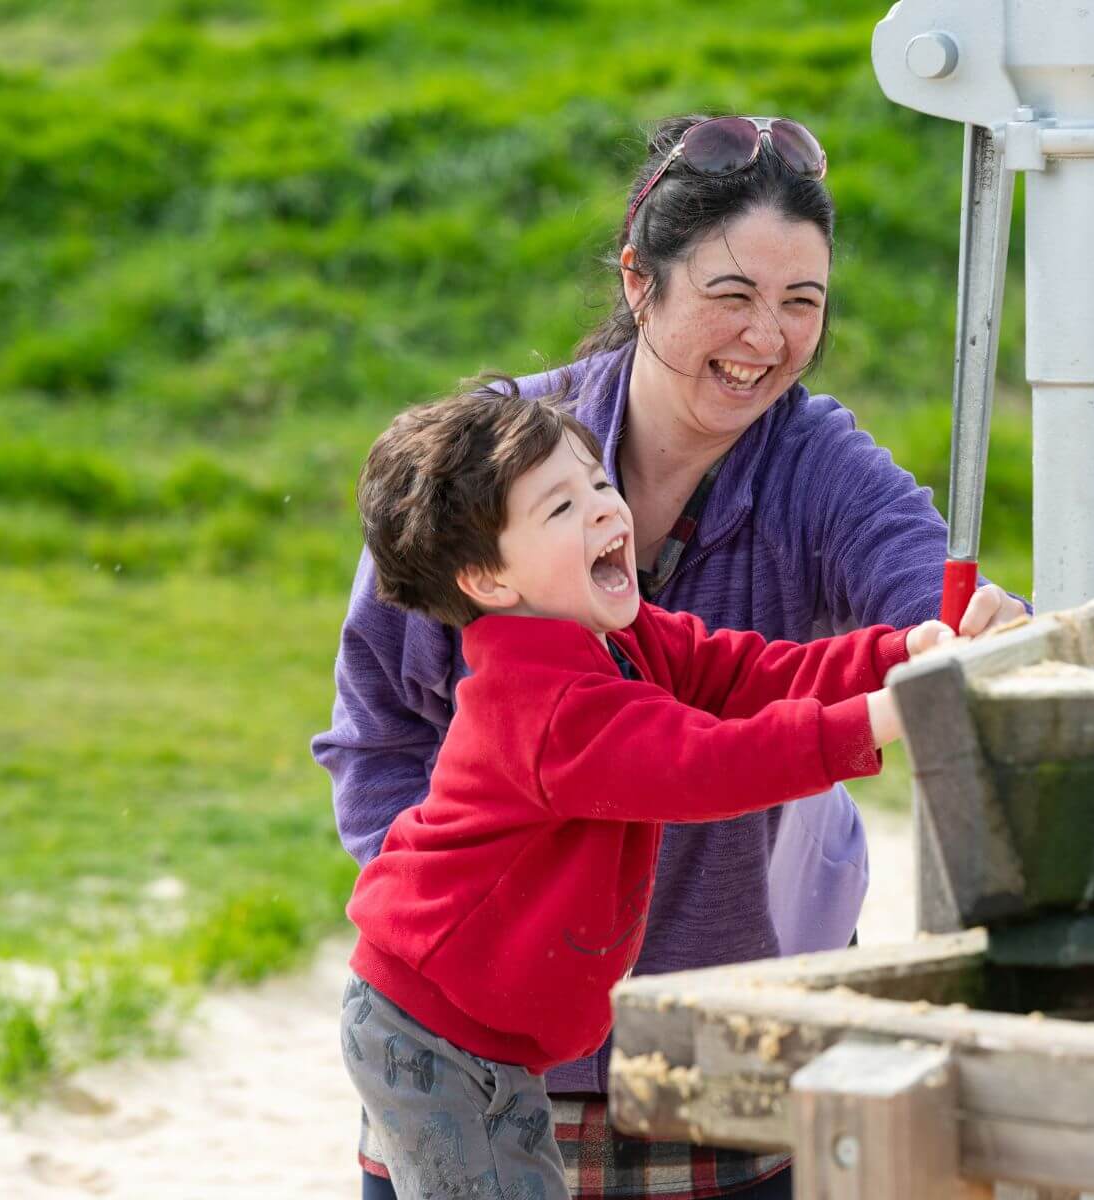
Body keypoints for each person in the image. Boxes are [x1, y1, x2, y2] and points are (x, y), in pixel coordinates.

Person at [312, 113, 1027, 1200]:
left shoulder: (805, 467)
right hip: (477, 1027)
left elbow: (766, 660)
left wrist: (944, 635)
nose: (766, 338)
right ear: (641, 283)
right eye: (732, 295)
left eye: (803, 304)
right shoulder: (500, 464)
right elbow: (381, 725)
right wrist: (475, 923)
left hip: (726, 988)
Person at [340, 384, 958, 1200]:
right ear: (488, 578)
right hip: (433, 1029)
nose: (604, 511)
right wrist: (879, 717)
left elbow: (749, 674)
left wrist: (897, 654)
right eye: (560, 509)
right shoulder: (544, 704)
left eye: (598, 483)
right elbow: (708, 766)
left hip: (485, 1020)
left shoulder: (620, 638)